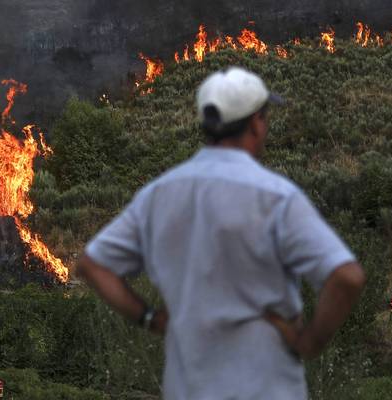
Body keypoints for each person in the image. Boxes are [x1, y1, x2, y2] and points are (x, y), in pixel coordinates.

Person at [78, 67, 366, 399]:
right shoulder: (275, 197)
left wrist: (150, 318)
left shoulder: (159, 195)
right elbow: (347, 277)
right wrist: (310, 342)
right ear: (256, 123)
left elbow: (92, 265)